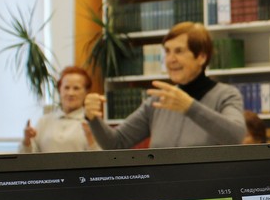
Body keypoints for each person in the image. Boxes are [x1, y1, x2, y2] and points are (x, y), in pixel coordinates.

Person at [85, 22, 246, 149]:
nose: (170, 59)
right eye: (167, 51)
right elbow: (115, 143)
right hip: (161, 183)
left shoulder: (226, 95)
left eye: (179, 51)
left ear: (201, 57)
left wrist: (190, 107)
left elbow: (236, 136)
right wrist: (93, 118)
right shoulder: (158, 101)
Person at [20, 66, 100, 153]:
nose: (70, 93)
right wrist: (27, 140)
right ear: (59, 89)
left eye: (76, 88)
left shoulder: (92, 124)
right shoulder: (44, 121)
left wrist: (90, 137)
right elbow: (27, 157)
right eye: (66, 87)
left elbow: (102, 158)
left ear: (86, 91)